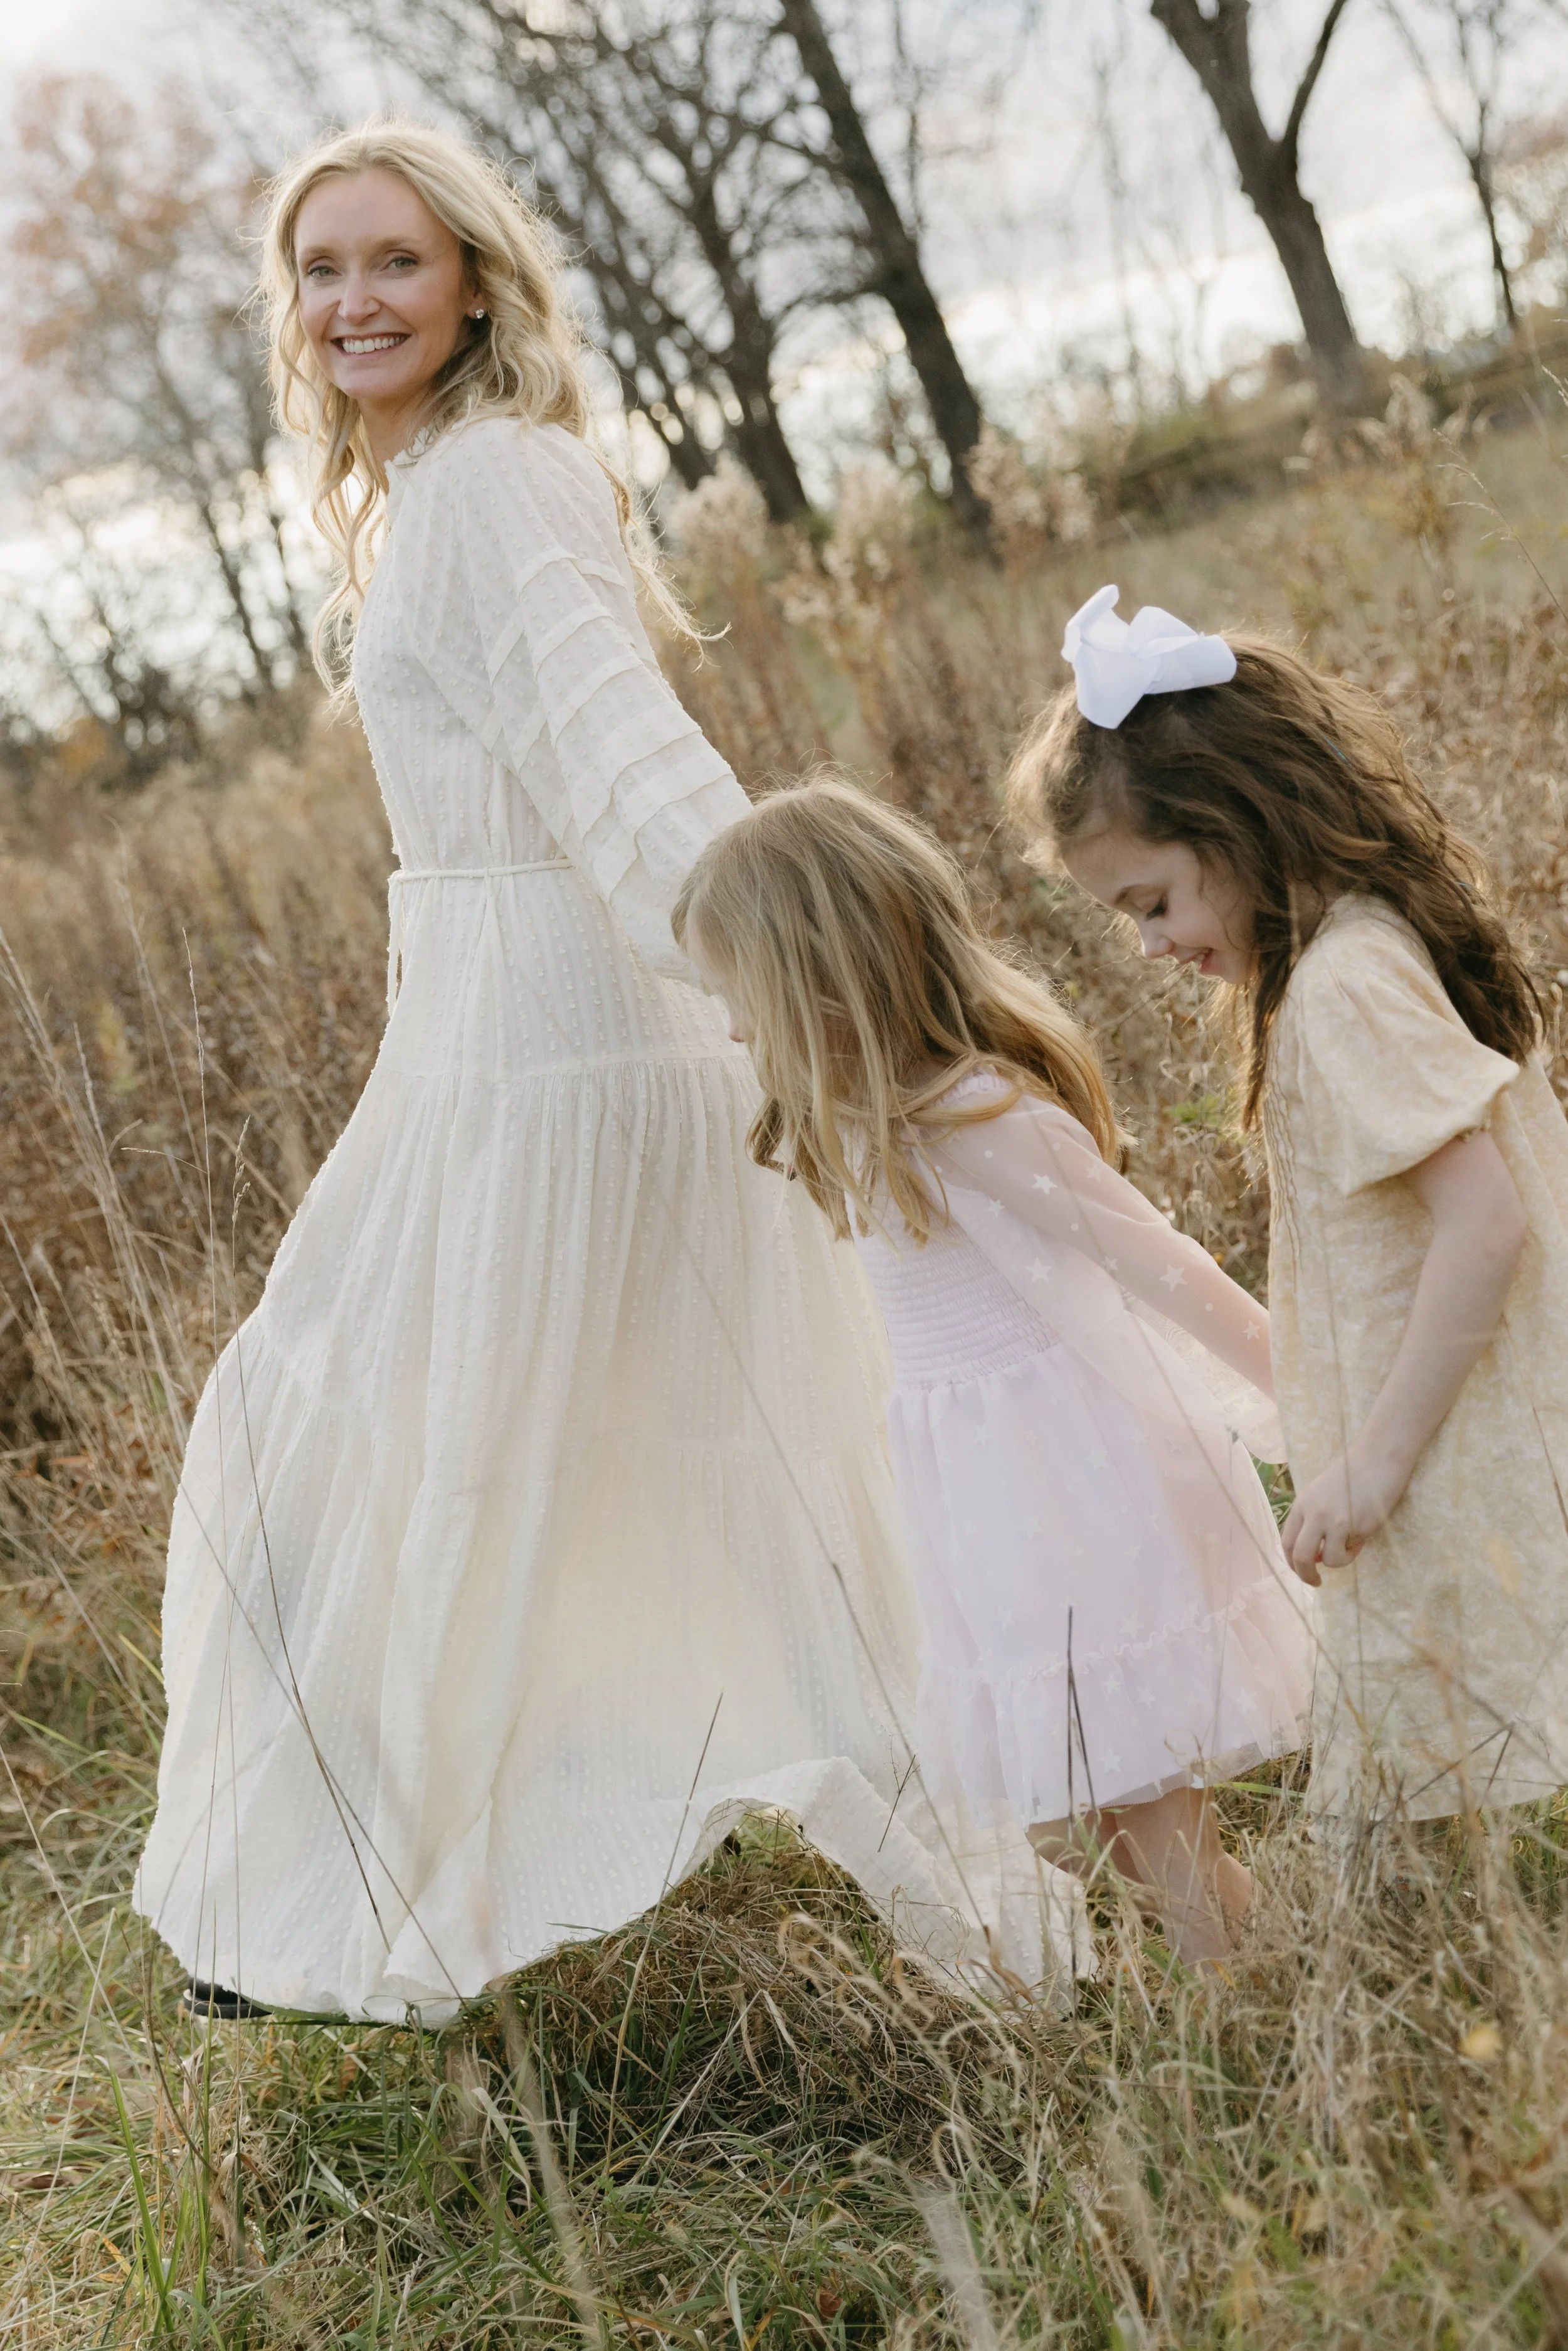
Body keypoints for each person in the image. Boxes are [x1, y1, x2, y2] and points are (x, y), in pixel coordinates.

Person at [133, 123, 1037, 2024]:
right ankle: (354, 1879)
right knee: (457, 1450)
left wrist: (793, 977)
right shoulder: (441, 489)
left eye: (393, 262)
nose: (354, 300)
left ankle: (346, 1895)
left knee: (367, 1442)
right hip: (489, 1018)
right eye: (322, 271)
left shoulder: (496, 484)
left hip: (568, 1040)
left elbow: (619, 754)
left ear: (475, 282)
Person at [673, 780, 1315, 1966]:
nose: (730, 1032)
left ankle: (1248, 2034)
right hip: (990, 1511)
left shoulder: (975, 1117)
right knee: (1081, 1827)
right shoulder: (870, 1131)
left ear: (819, 977)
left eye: (739, 1000)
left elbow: (1158, 1265)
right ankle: (1278, 1966)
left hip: (1076, 1494)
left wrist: (1307, 1399)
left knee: (1146, 1816)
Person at [1014, 584, 1568, 1825]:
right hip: (1436, 1430)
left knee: (1447, 1779)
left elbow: (1485, 1221)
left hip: (1436, 1445)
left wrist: (1370, 1463)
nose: (1147, 944)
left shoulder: (1339, 988)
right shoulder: (1346, 954)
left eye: (1150, 901)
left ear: (1234, 824)